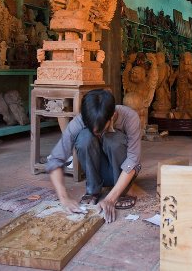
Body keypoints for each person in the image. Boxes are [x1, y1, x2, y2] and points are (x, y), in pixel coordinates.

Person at [46, 89, 142, 223]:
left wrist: (110, 199)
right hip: (98, 171)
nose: (98, 134)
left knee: (113, 140)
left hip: (122, 174)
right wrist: (64, 198)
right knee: (85, 137)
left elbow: (133, 159)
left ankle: (124, 190)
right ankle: (93, 190)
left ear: (113, 116)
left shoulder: (130, 117)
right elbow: (56, 159)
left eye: (100, 130)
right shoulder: (81, 120)